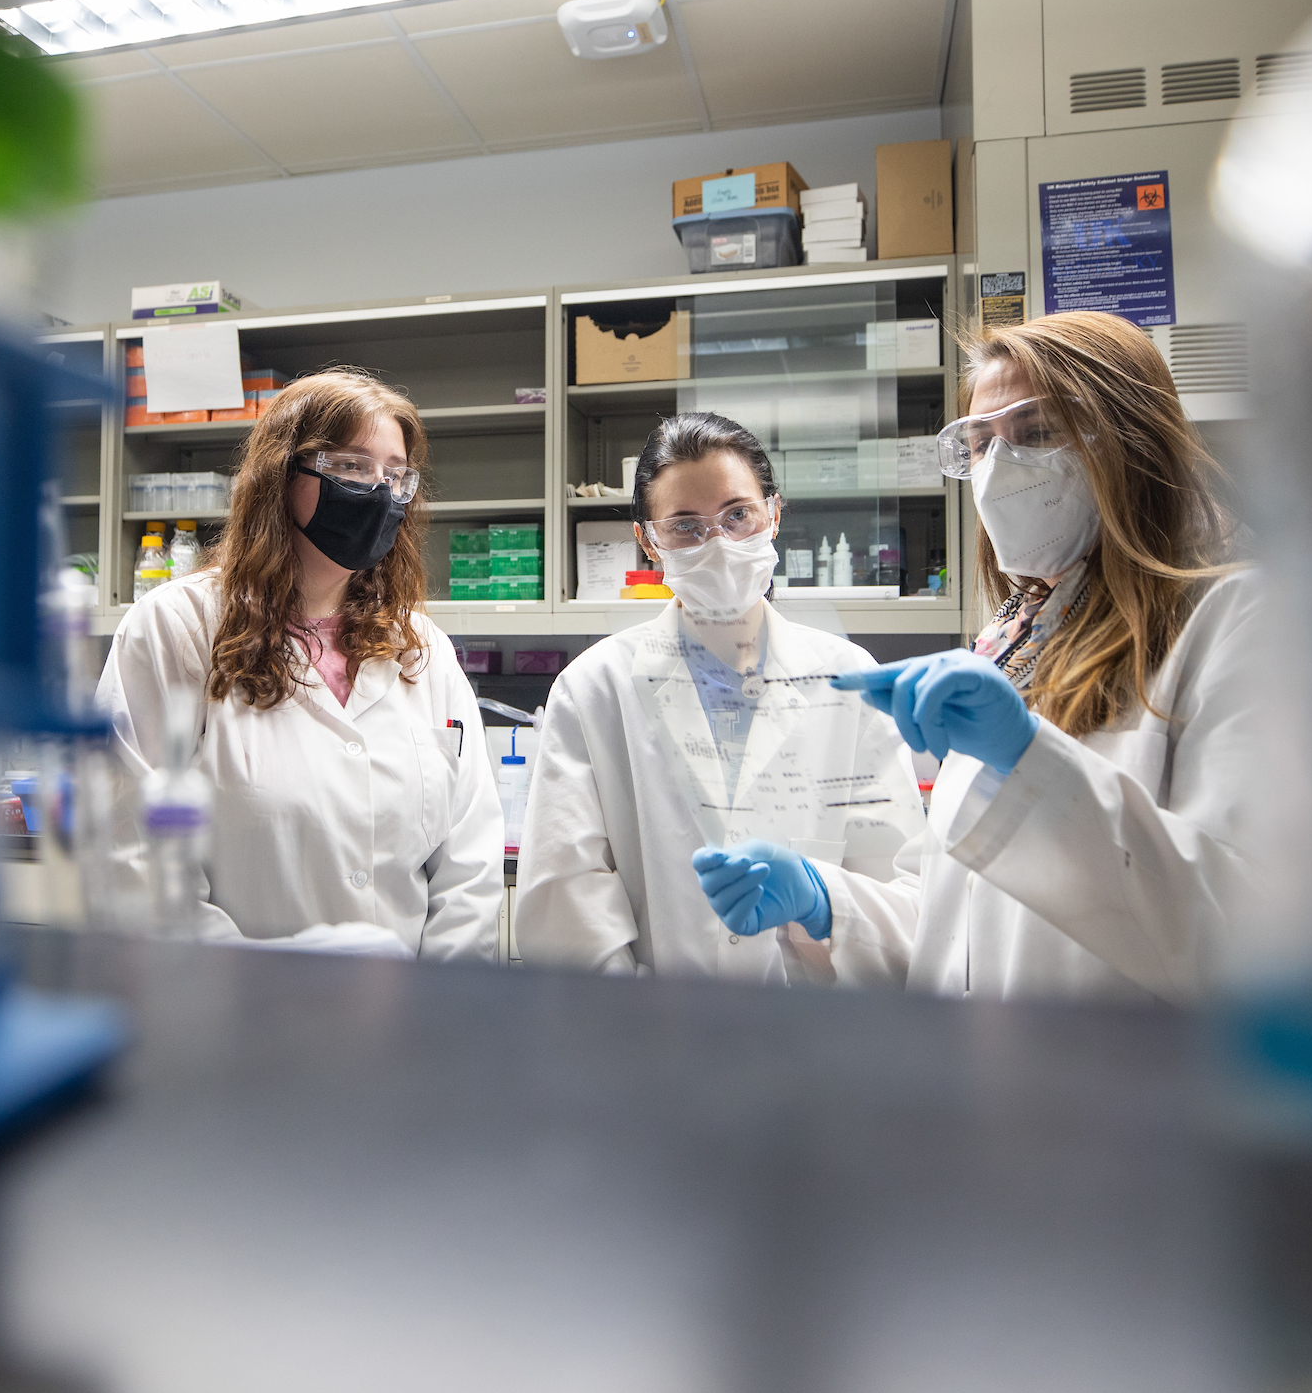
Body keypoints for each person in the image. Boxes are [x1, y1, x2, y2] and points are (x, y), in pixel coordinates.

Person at [702, 310, 1258, 1003]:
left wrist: (1031, 764)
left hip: (1127, 1093)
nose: (1000, 467)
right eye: (981, 442)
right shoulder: (1014, 643)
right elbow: (961, 929)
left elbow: (1250, 939)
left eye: (1038, 431)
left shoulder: (1237, 623)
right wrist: (824, 904)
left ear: (1135, 440)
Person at [98, 368, 503, 957]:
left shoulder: (420, 646)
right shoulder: (176, 628)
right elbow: (133, 854)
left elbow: (471, 858)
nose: (380, 491)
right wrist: (272, 994)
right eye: (351, 467)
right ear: (280, 477)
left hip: (413, 1021)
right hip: (238, 1019)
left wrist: (435, 1004)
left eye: (396, 474)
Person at [513, 412, 926, 982]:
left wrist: (820, 901)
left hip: (815, 1043)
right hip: (652, 1043)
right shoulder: (594, 689)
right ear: (648, 542)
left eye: (738, 515)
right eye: (685, 526)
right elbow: (564, 906)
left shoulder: (847, 678)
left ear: (774, 514)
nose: (719, 544)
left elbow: (908, 905)